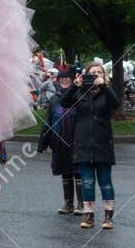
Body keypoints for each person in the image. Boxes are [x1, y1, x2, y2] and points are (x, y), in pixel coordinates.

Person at [60, 62, 118, 230]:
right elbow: (63, 103)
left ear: (104, 76)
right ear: (85, 75)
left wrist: (105, 87)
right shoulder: (79, 92)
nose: (96, 75)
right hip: (83, 144)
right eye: (92, 73)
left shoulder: (107, 94)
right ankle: (89, 216)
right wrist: (74, 86)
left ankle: (108, 217)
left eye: (99, 72)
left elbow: (115, 104)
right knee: (87, 182)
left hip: (103, 144)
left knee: (105, 181)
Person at [37, 68, 79, 213]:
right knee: (65, 171)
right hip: (59, 141)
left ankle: (81, 204)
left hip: (76, 140)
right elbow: (48, 121)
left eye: (67, 77)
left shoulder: (79, 95)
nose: (64, 80)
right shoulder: (55, 98)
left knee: (78, 171)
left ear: (73, 79)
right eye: (62, 78)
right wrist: (45, 143)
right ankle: (68, 203)